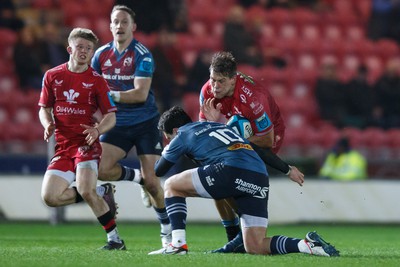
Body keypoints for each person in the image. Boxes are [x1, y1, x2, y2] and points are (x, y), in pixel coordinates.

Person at [149, 106, 339, 257]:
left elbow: (159, 170)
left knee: (171, 185)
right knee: (255, 245)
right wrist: (286, 169)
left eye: (168, 138)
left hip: (229, 169)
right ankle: (306, 245)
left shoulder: (182, 134)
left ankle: (177, 245)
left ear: (174, 130)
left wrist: (165, 150)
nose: (169, 141)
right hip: (258, 176)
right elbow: (258, 150)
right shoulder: (221, 127)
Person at [199, 51, 304, 253]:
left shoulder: (254, 99)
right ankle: (234, 238)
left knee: (235, 182)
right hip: (239, 135)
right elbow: (205, 137)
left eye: (220, 81)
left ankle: (241, 236)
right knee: (215, 177)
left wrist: (231, 139)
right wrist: (213, 126)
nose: (215, 86)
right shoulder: (207, 92)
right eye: (212, 79)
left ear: (233, 79)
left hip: (268, 135)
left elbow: (266, 140)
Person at [91, 5, 171, 249]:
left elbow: (140, 94)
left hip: (145, 124)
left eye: (124, 22)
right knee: (102, 170)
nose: (119, 26)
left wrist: (109, 96)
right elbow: (90, 88)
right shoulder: (100, 55)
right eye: (115, 21)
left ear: (133, 27)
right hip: (117, 123)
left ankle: (167, 234)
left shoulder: (143, 55)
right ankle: (137, 179)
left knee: (154, 184)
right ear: (110, 25)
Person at [38, 27, 125, 250]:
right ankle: (102, 192)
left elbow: (110, 117)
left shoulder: (97, 80)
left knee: (85, 189)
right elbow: (44, 108)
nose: (84, 51)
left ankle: (115, 240)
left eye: (88, 48)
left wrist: (97, 131)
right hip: (63, 146)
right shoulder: (52, 76)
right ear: (70, 49)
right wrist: (47, 123)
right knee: (50, 197)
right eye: (80, 47)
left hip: (86, 145)